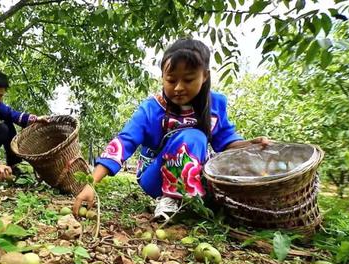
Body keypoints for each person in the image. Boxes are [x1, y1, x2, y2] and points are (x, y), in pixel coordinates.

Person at [73, 39, 270, 220]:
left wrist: (249, 145)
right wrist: (91, 183)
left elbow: (226, 141)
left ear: (204, 76)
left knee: (202, 147)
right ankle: (171, 199)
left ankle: (195, 199)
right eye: (171, 80)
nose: (178, 88)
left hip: (197, 174)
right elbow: (124, 142)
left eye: (188, 79)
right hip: (154, 176)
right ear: (162, 77)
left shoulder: (215, 105)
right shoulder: (151, 109)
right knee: (193, 136)